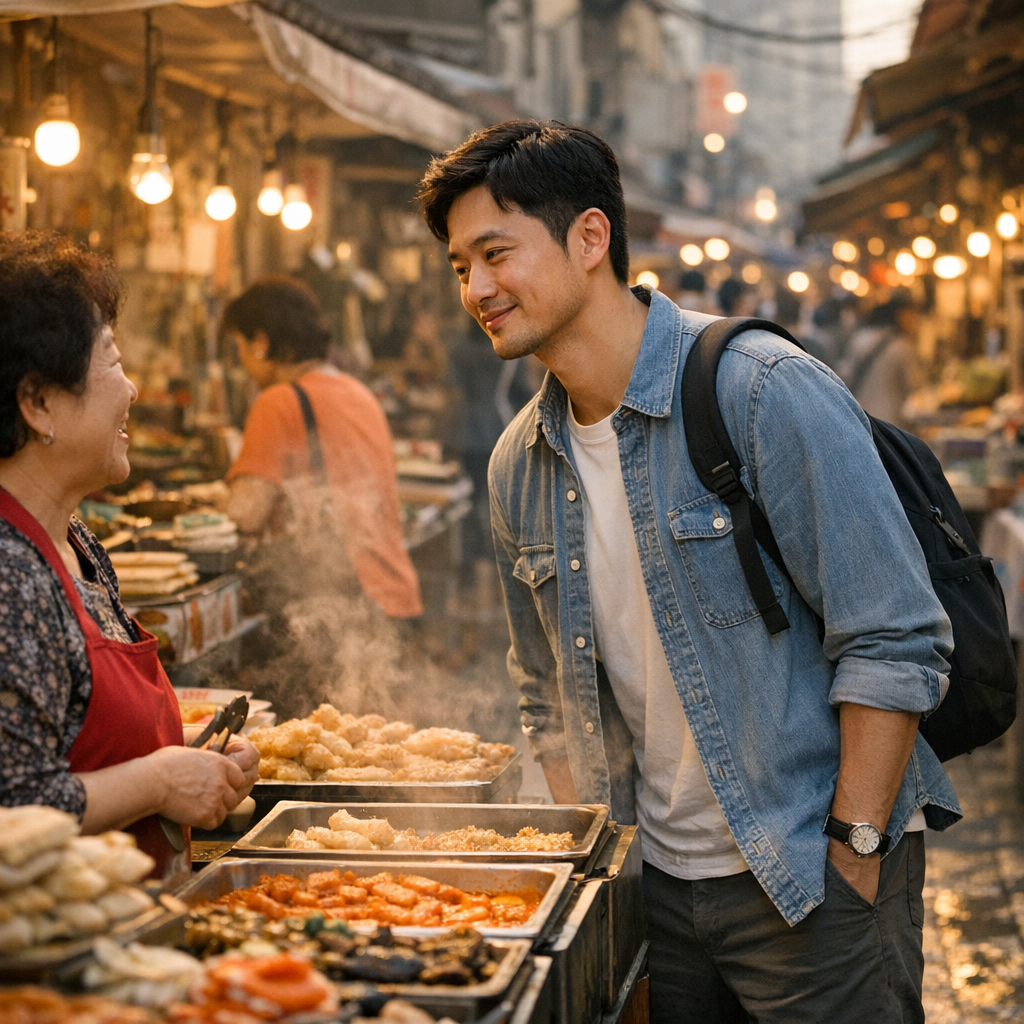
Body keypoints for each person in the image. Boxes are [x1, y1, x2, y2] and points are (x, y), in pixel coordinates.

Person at [418, 121, 959, 1023]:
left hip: (808, 881)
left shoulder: (760, 389)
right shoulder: (520, 462)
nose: (476, 288)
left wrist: (855, 848)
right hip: (654, 892)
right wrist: (602, 871)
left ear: (591, 239)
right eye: (458, 265)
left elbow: (894, 636)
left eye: (495, 253)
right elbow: (543, 690)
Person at [0, 232, 258, 885]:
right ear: (37, 404)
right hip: (54, 965)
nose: (134, 389)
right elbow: (15, 807)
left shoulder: (77, 539)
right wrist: (160, 780)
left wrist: (194, 763)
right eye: (111, 360)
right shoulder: (9, 573)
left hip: (138, 930)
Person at [223, 275, 422, 622]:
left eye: (238, 347)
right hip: (391, 595)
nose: (240, 362)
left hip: (338, 606)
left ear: (260, 342)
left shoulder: (277, 402)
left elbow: (245, 515)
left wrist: (209, 505)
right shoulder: (358, 393)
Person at [838, 291, 924, 430]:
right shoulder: (901, 346)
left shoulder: (860, 338)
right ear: (899, 315)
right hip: (890, 421)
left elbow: (845, 375)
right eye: (911, 315)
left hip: (859, 416)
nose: (914, 320)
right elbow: (913, 385)